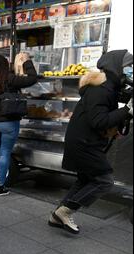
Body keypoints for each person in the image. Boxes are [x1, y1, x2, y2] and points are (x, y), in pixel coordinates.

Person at [49, 50, 133, 235]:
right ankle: (66, 211)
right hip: (83, 142)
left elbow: (104, 115)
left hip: (85, 140)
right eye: (127, 67)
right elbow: (99, 120)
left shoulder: (108, 87)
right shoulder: (101, 89)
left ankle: (57, 215)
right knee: (104, 180)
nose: (130, 71)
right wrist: (127, 110)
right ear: (117, 67)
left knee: (86, 179)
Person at [0, 53, 38, 196]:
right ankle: (0, 187)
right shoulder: (9, 79)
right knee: (5, 154)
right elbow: (32, 79)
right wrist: (27, 61)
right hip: (9, 123)